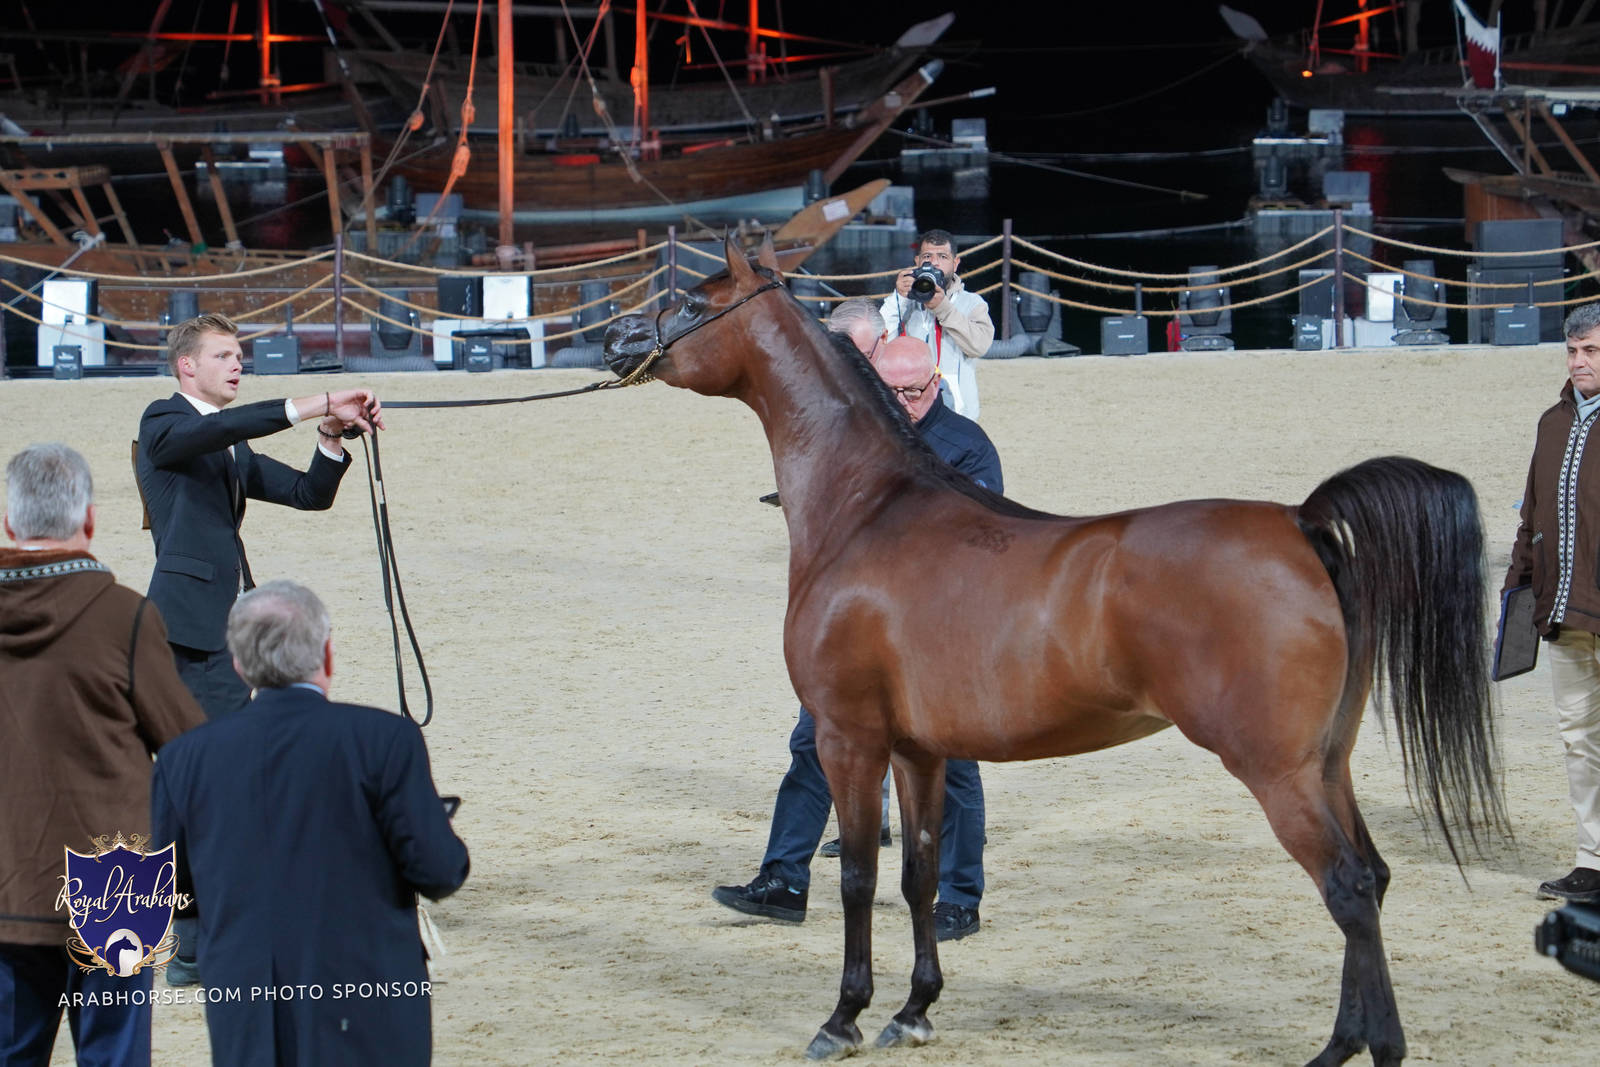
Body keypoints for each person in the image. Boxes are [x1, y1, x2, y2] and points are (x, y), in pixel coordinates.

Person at [713, 336, 1000, 942]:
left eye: (913, 391)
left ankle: (959, 898)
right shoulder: (855, 442)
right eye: (889, 391)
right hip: (858, 630)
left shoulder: (969, 448)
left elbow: (982, 545)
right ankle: (784, 878)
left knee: (954, 765)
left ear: (938, 385)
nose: (901, 402)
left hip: (936, 636)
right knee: (814, 746)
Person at [150, 580, 469, 1067]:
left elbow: (172, 889)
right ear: (327, 655)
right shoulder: (385, 739)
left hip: (248, 1003)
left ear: (238, 665)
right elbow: (441, 871)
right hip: (369, 999)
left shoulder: (182, 758)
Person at [0, 443, 205, 1067]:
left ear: (9, 523)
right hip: (118, 886)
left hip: (7, 876)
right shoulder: (126, 616)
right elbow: (187, 750)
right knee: (116, 1056)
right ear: (89, 521)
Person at [136, 312, 386, 723]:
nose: (237, 365)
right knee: (210, 742)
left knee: (223, 741)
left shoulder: (234, 445)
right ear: (187, 365)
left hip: (233, 623)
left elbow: (308, 494)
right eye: (222, 356)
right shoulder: (162, 419)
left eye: (238, 355)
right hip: (187, 624)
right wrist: (322, 401)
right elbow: (225, 426)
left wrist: (330, 431)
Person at [1510, 302, 1600, 904]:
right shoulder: (1552, 421)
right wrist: (1519, 589)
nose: (1579, 362)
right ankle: (1593, 860)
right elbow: (1532, 515)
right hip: (1564, 612)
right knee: (1579, 738)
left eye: (1591, 350)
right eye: (1572, 351)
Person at [879, 228, 995, 420]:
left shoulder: (972, 303)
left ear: (955, 263)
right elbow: (880, 340)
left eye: (942, 256)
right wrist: (897, 298)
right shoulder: (904, 301)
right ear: (917, 262)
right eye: (927, 256)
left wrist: (943, 308)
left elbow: (980, 346)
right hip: (909, 409)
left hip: (957, 413)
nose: (934, 263)